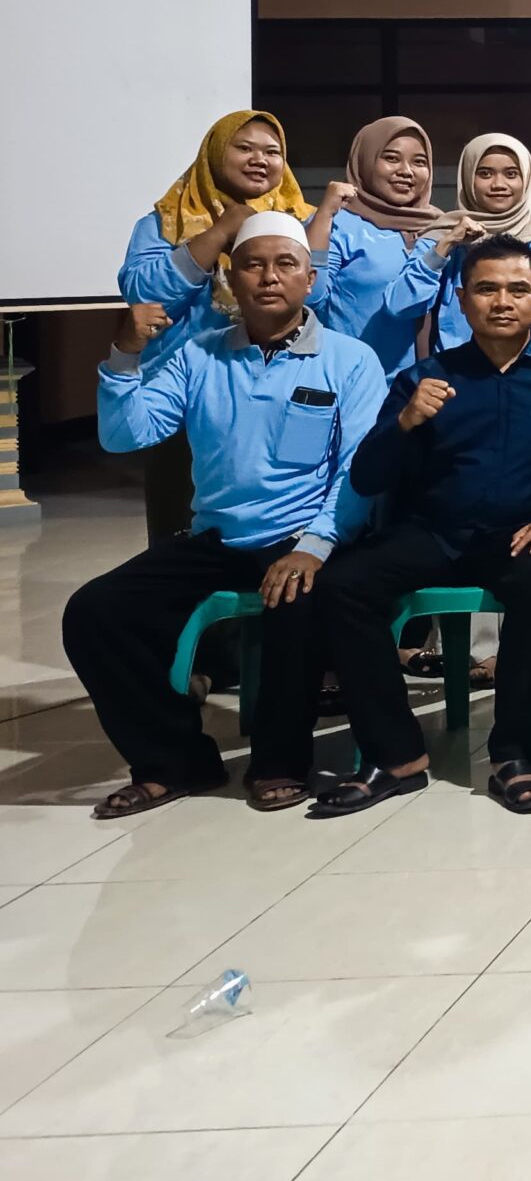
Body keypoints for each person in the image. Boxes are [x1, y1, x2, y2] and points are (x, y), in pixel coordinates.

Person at [67, 215, 386, 818]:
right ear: (230, 279)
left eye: (286, 264)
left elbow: (358, 470)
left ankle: (280, 762)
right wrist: (125, 355)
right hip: (217, 537)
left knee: (296, 601)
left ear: (310, 279)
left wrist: (315, 545)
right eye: (252, 265)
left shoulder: (350, 360)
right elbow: (125, 434)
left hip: (302, 533)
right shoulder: (198, 355)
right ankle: (173, 759)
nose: (269, 277)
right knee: (96, 612)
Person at [316, 233, 531, 816]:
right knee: (342, 585)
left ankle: (513, 752)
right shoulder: (424, 379)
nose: (502, 301)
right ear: (461, 298)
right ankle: (395, 754)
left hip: (527, 535)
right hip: (436, 533)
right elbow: (369, 477)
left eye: (517, 289)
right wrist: (404, 422)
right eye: (486, 289)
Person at [117, 111, 315, 534]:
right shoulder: (165, 221)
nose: (259, 160)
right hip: (184, 399)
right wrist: (220, 232)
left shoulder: (299, 220)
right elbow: (144, 291)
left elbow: (319, 294)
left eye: (272, 152)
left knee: (275, 525)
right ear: (214, 154)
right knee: (179, 528)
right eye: (244, 148)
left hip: (277, 392)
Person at [384, 132, 531, 359]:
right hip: (459, 372)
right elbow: (399, 306)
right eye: (485, 173)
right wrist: (446, 245)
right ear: (468, 178)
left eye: (511, 174)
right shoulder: (440, 240)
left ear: (526, 178)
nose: (499, 184)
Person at [307, 117, 444, 372]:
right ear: (366, 160)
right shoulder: (338, 222)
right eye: (391, 158)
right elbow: (309, 296)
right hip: (352, 378)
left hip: (426, 383)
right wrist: (324, 215)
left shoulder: (441, 227)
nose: (406, 171)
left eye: (419, 162)